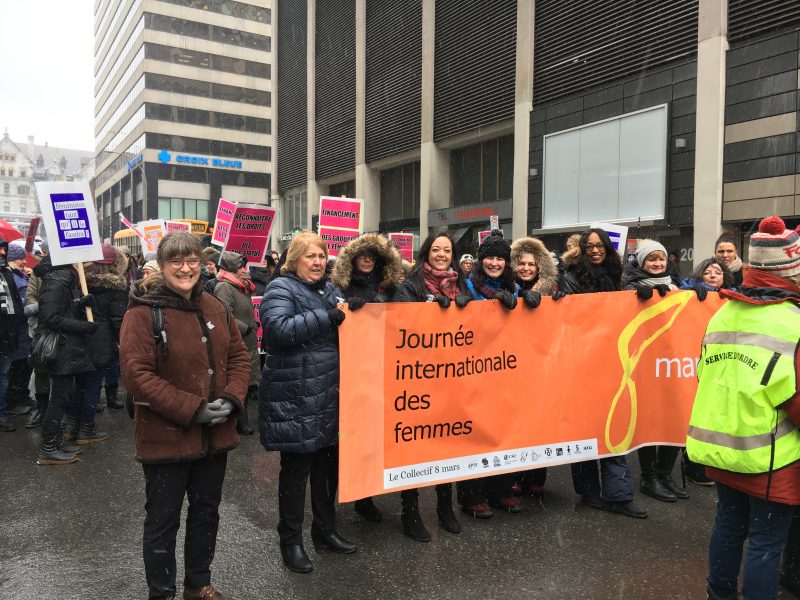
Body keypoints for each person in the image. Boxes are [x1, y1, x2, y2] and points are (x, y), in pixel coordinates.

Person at [121, 231, 250, 600]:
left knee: (206, 514)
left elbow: (239, 358)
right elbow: (136, 376)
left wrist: (232, 398)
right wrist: (192, 409)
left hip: (215, 437)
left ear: (202, 263)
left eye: (192, 259)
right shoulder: (143, 311)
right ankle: (161, 593)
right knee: (163, 522)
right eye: (175, 260)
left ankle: (198, 584)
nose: (185, 267)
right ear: (162, 266)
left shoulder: (215, 306)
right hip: (167, 438)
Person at [687, 215, 800, 600]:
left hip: (723, 447)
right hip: (772, 456)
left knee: (728, 526)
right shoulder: (793, 322)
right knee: (767, 543)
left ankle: (718, 594)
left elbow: (706, 373)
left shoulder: (723, 312)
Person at [258, 232, 356, 573]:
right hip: (297, 397)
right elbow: (277, 330)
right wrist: (327, 317)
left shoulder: (330, 289)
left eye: (321, 256)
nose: (317, 262)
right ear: (294, 259)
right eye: (310, 256)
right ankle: (291, 541)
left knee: (327, 471)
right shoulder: (280, 288)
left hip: (329, 395)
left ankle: (325, 531)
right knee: (296, 474)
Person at [560, 228, 648, 519]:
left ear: (608, 249)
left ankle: (619, 494)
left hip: (615, 360)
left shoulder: (620, 276)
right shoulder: (571, 278)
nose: (595, 251)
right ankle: (588, 490)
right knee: (586, 427)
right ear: (583, 250)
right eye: (590, 247)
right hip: (582, 363)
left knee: (615, 424)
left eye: (600, 246)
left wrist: (644, 294)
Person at [392, 232, 467, 540]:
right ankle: (410, 512)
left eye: (446, 250)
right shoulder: (410, 286)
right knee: (415, 447)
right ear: (426, 252)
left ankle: (444, 507)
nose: (441, 254)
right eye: (436, 249)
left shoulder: (461, 284)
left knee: (447, 444)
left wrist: (468, 307)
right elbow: (399, 327)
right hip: (418, 379)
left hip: (452, 377)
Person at [331, 232, 404, 524]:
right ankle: (351, 491)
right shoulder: (338, 288)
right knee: (353, 434)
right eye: (362, 255)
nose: (366, 260)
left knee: (376, 434)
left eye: (372, 256)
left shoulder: (392, 289)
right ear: (352, 259)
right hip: (350, 369)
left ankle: (366, 495)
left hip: (385, 367)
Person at [458, 232, 525, 517]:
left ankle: (501, 489)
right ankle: (472, 495)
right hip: (473, 369)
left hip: (506, 370)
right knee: (475, 433)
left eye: (500, 258)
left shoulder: (515, 288)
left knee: (502, 430)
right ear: (480, 260)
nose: (495, 263)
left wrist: (532, 302)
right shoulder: (468, 285)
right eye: (490, 257)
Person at [622, 239, 689, 503]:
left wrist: (700, 295)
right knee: (649, 419)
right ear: (641, 262)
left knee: (674, 416)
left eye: (661, 259)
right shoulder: (630, 287)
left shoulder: (677, 285)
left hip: (671, 364)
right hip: (644, 365)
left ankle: (664, 473)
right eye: (652, 259)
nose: (657, 263)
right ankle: (649, 477)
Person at [510, 236, 562, 496]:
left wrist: (560, 302)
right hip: (512, 365)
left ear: (540, 266)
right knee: (516, 424)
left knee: (538, 423)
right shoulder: (507, 288)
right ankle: (515, 475)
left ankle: (535, 476)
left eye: (531, 264)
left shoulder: (552, 289)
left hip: (540, 365)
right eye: (521, 263)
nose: (526, 268)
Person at [34, 254, 98, 464]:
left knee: (63, 395)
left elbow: (62, 311)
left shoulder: (61, 280)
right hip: (61, 348)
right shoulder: (56, 282)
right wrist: (83, 326)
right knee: (59, 398)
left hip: (66, 347)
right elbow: (50, 318)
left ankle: (55, 442)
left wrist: (79, 304)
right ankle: (48, 448)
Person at [62, 245, 128, 445]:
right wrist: (123, 342)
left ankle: (71, 426)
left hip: (80, 338)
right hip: (101, 341)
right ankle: (86, 429)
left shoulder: (80, 283)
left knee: (79, 385)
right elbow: (117, 320)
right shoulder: (116, 287)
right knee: (92, 385)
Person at [213, 251, 258, 436]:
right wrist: (244, 328)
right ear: (231, 268)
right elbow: (223, 314)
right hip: (236, 341)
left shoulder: (241, 286)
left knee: (247, 383)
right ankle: (240, 422)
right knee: (239, 382)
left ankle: (240, 420)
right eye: (240, 266)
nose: (243, 270)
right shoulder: (224, 287)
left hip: (248, 342)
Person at [5, 242, 34, 419]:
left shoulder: (18, 275)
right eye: (19, 258)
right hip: (18, 332)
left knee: (23, 367)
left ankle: (21, 398)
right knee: (17, 368)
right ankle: (15, 402)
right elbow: (18, 305)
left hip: (23, 333)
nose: (24, 261)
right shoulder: (11, 278)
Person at [0, 237, 24, 432]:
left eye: (3, 249)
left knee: (3, 376)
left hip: (6, 336)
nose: (2, 253)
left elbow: (15, 303)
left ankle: (1, 414)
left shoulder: (7, 274)